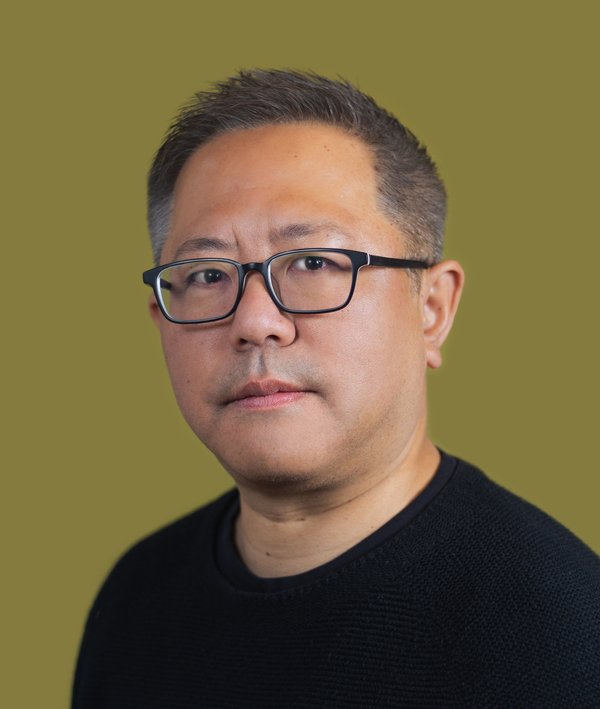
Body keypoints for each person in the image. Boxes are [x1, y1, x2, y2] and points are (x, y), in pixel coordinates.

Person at [72, 69, 600, 708]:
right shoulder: (137, 597)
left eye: (315, 263)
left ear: (432, 307)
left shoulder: (562, 633)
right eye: (208, 274)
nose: (255, 322)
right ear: (163, 319)